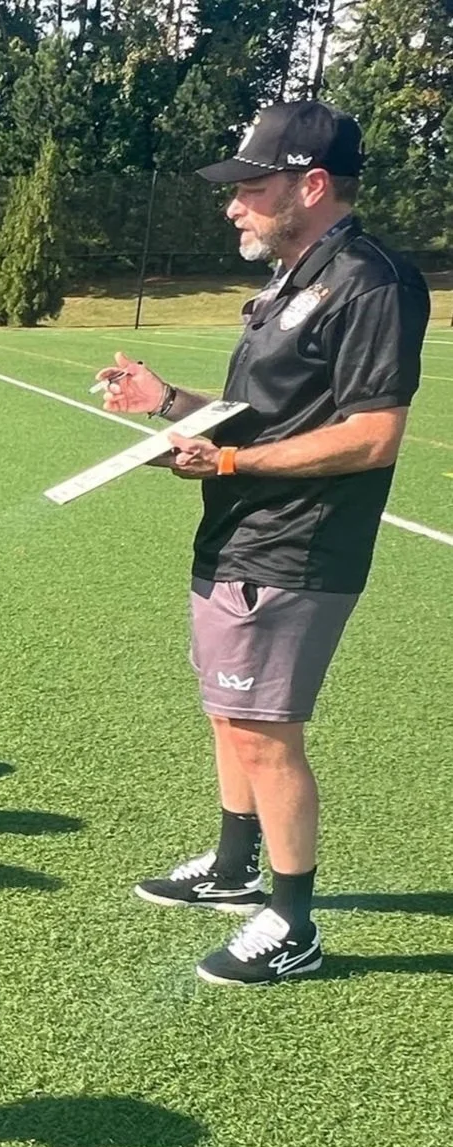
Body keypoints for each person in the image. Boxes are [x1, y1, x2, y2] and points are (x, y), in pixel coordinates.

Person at [96, 100, 430, 986]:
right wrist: (170, 403)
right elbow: (267, 410)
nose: (233, 205)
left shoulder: (370, 280)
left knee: (266, 730)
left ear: (312, 185)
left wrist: (232, 459)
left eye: (252, 187)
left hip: (298, 545)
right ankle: (233, 867)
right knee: (229, 714)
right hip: (241, 532)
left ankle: (292, 922)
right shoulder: (293, 277)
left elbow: (372, 434)